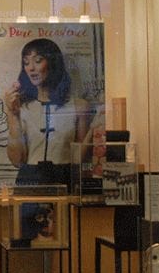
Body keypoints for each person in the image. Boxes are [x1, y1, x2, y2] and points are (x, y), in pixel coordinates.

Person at [5, 38, 94, 180]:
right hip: (29, 180)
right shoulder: (20, 107)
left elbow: (82, 160)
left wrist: (95, 128)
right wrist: (12, 114)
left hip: (65, 178)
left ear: (52, 63)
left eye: (38, 60)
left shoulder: (79, 107)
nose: (31, 68)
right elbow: (17, 161)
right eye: (26, 62)